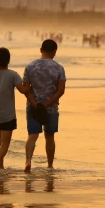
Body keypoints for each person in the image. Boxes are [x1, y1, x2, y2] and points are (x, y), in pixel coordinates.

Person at [21, 40, 66, 172]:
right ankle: (50, 165)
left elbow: (26, 88)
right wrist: (47, 103)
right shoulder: (58, 68)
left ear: (41, 50)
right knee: (50, 136)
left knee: (32, 135)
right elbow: (61, 90)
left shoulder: (30, 66)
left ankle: (28, 161)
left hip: (33, 107)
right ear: (54, 52)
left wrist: (35, 103)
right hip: (51, 108)